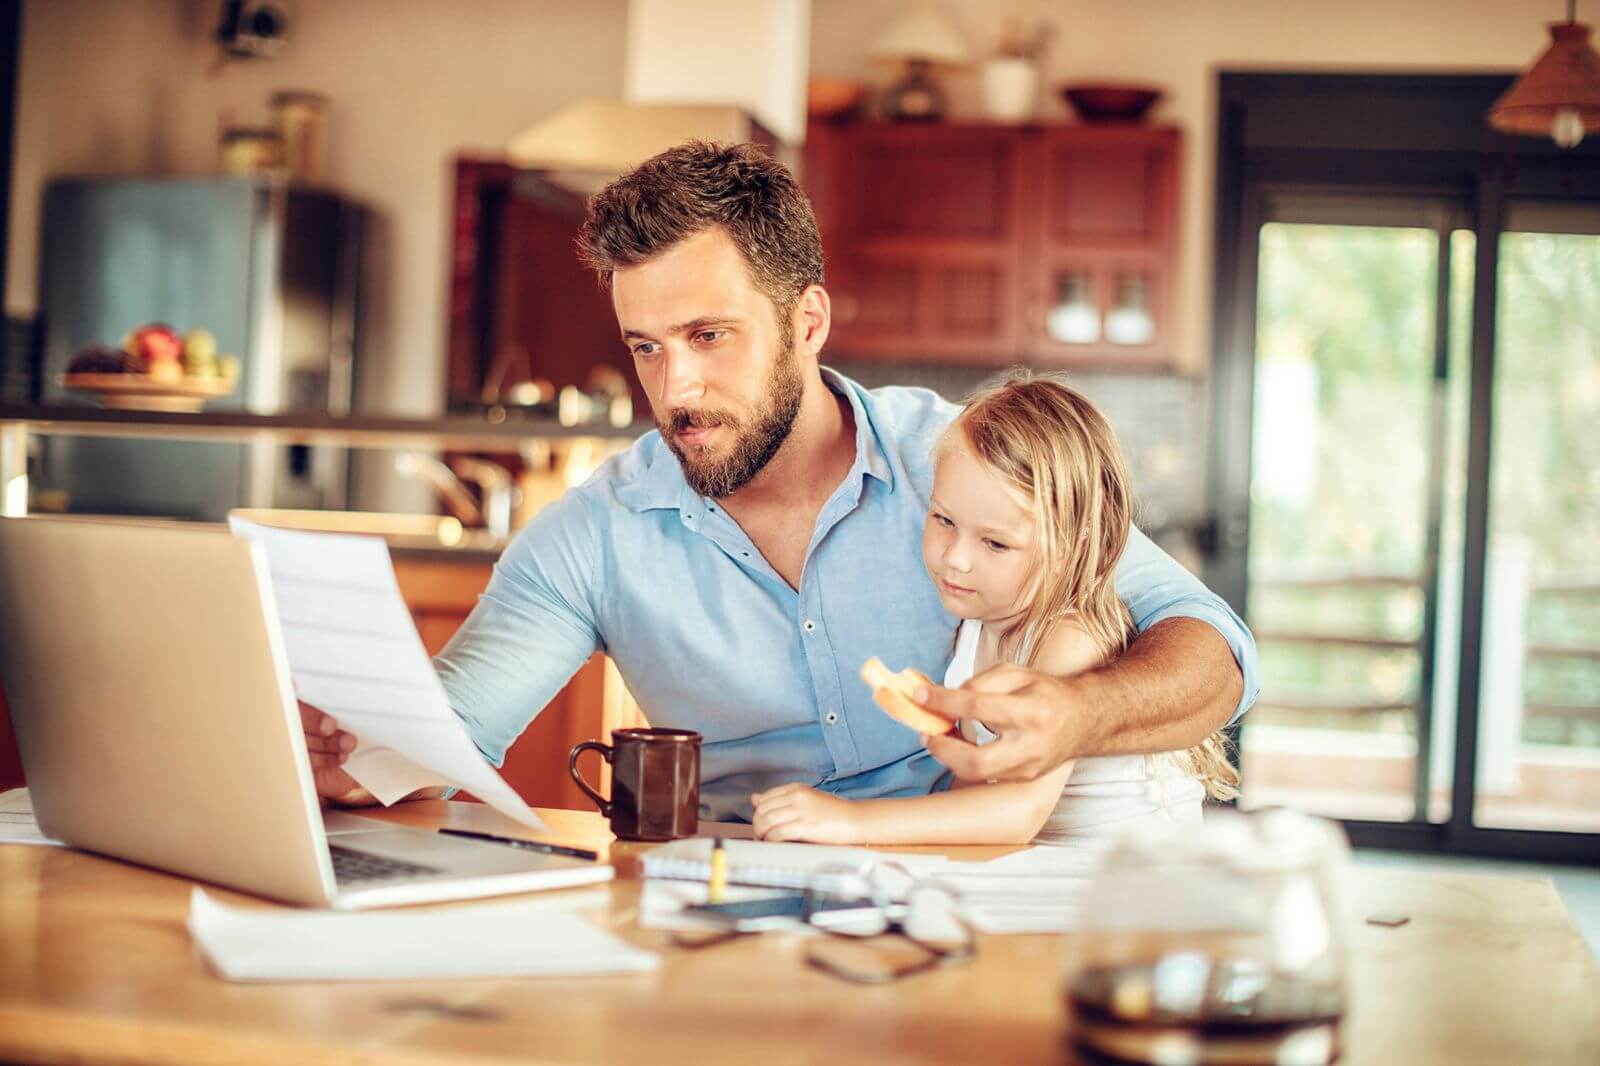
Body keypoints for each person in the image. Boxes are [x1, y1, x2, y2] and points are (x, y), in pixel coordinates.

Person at [298, 141, 1258, 821]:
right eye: (647, 347)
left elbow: (1217, 653)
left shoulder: (961, 459)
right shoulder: (592, 535)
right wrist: (358, 757)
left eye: (709, 336)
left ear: (807, 322)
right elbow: (448, 732)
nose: (677, 389)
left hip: (970, 890)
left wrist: (1078, 715)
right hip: (731, 901)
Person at [749, 374, 1239, 845]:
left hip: (1131, 887)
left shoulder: (1068, 639)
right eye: (943, 519)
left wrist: (851, 822)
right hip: (1046, 876)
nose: (955, 558)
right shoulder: (974, 627)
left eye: (996, 543)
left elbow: (1016, 814)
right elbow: (975, 795)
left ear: (1073, 544)